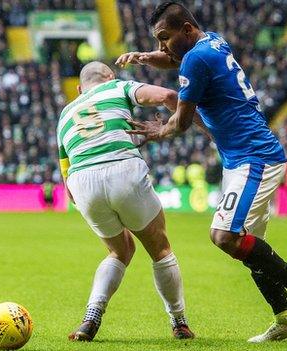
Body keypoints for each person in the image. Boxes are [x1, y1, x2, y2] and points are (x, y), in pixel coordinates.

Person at [116, 1, 287, 343]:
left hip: (254, 158)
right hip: (240, 157)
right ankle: (284, 318)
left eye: (164, 37)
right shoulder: (211, 41)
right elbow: (174, 57)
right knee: (252, 246)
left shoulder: (196, 58)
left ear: (187, 30)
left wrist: (155, 131)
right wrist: (146, 57)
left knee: (224, 236)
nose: (162, 46)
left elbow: (180, 122)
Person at [57, 61, 195, 341]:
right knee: (160, 249)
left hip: (81, 180)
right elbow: (168, 96)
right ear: (109, 77)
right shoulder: (118, 87)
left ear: (80, 89)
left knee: (119, 251)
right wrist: (172, 125)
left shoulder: (65, 113)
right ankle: (179, 322)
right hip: (122, 168)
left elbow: (65, 168)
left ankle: (91, 316)